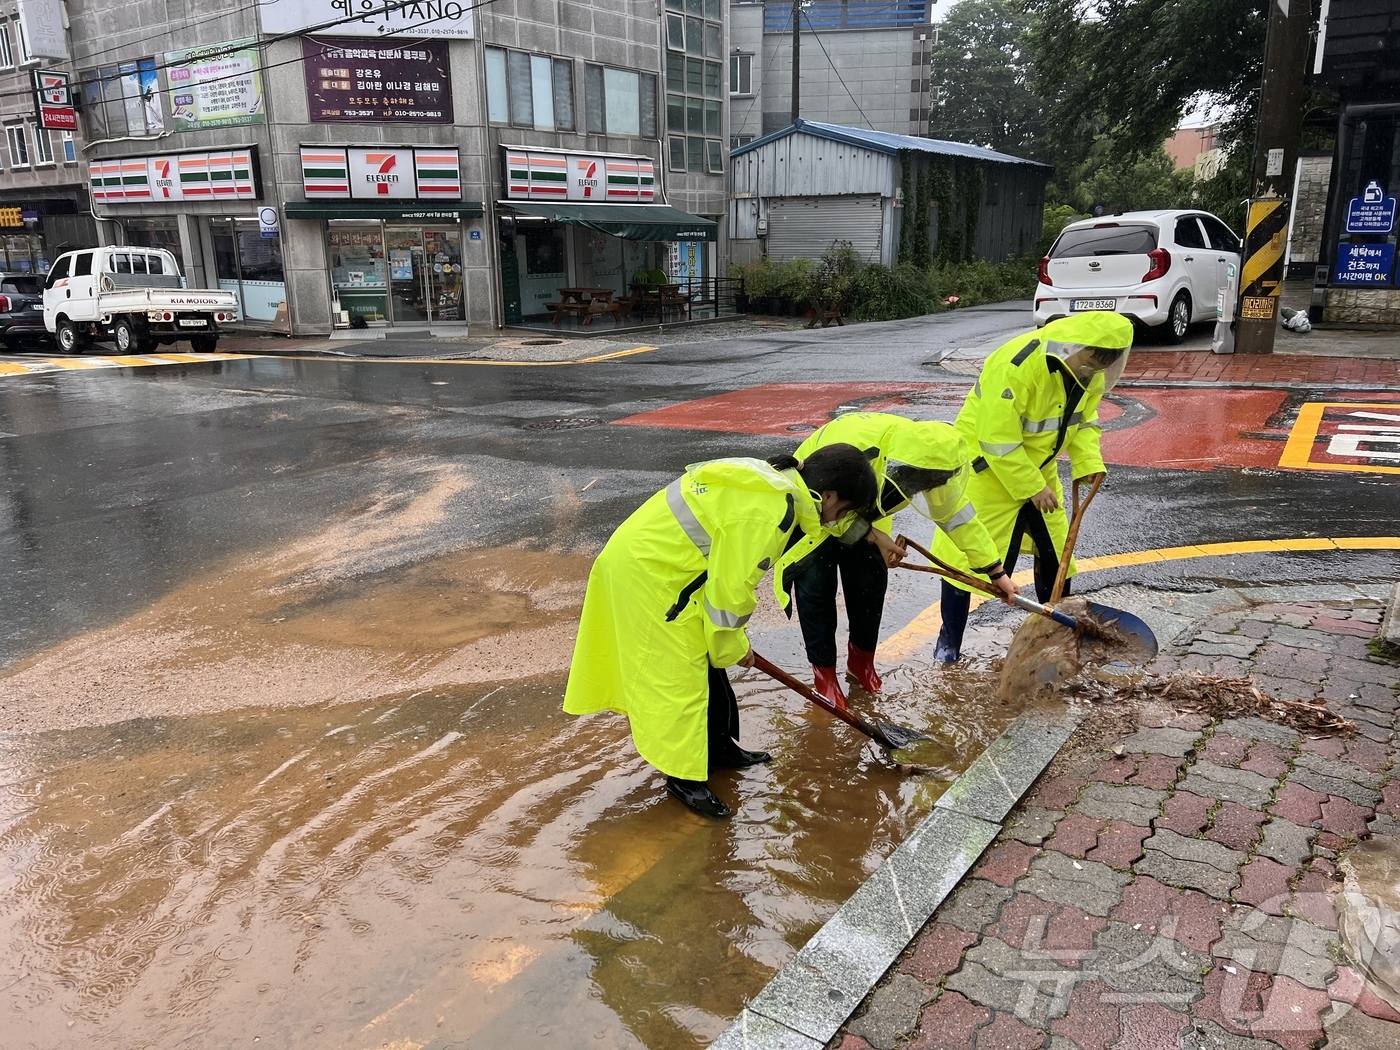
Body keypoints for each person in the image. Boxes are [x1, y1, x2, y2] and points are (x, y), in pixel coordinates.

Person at [563, 445, 878, 819]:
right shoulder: (772, 513)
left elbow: (725, 587)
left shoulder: (779, 488)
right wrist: (731, 645)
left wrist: (727, 645)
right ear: (829, 496)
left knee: (710, 665)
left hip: (668, 567)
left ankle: (720, 748)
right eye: (844, 510)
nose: (836, 520)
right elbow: (729, 597)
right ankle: (684, 779)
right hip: (651, 575)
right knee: (680, 680)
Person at [932, 311, 1133, 663]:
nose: (1090, 373)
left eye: (1098, 368)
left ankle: (1048, 639)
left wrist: (1089, 464)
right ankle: (948, 646)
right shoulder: (1017, 366)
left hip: (1039, 471)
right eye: (1086, 363)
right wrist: (1031, 486)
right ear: (1073, 348)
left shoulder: (1092, 373)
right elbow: (996, 439)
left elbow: (1084, 422)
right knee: (965, 563)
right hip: (986, 471)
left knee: (1057, 557)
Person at [791, 413, 1020, 707]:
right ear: (903, 468)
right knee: (816, 588)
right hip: (816, 504)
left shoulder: (933, 460)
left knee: (869, 584)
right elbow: (827, 512)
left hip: (864, 511)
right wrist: (873, 535)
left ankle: (861, 664)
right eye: (919, 481)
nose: (922, 486)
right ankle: (825, 677)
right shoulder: (857, 454)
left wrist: (995, 571)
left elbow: (959, 520)